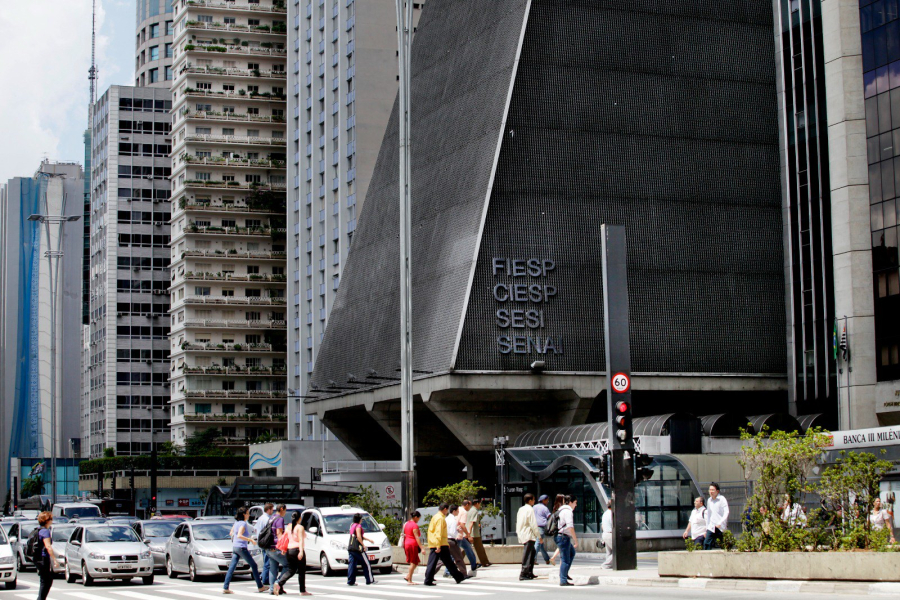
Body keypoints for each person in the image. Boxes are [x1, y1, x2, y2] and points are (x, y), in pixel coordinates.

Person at [224, 507, 267, 594]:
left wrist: (236, 537)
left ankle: (225, 587)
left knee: (231, 568)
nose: (249, 515)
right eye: (247, 513)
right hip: (241, 548)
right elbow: (239, 535)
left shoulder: (236, 523)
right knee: (254, 565)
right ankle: (260, 586)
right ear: (244, 514)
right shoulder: (243, 523)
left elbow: (231, 533)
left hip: (235, 547)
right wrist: (250, 540)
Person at [423, 503, 465, 586]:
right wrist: (438, 545)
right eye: (447, 509)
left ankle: (458, 577)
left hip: (437, 543)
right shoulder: (440, 519)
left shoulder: (435, 517)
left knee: (446, 561)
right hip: (439, 544)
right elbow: (439, 532)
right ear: (445, 509)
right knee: (438, 562)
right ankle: (428, 580)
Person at [273, 511, 310, 596]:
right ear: (299, 518)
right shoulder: (300, 527)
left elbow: (285, 538)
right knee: (301, 571)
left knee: (291, 570)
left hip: (289, 550)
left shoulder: (288, 527)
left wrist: (284, 549)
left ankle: (279, 583)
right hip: (297, 549)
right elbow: (301, 540)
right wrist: (301, 551)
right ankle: (302, 590)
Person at [347, 512, 376, 586]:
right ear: (360, 519)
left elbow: (355, 536)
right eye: (361, 519)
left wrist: (368, 540)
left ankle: (351, 581)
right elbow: (359, 537)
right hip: (358, 548)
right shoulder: (358, 526)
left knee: (352, 565)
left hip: (351, 547)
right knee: (366, 564)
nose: (362, 520)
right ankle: (370, 580)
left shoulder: (352, 525)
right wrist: (363, 545)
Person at [36, 511, 59, 600]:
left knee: (45, 580)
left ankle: (41, 598)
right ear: (47, 520)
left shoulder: (38, 529)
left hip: (38, 559)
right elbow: (48, 546)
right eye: (51, 519)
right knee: (46, 580)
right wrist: (54, 559)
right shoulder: (45, 531)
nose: (52, 521)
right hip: (43, 559)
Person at [516, 493, 539, 581]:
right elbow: (533, 524)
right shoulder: (530, 509)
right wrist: (538, 535)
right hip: (529, 534)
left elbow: (518, 522)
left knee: (532, 552)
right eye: (533, 499)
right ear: (530, 501)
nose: (534, 501)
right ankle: (523, 573)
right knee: (528, 553)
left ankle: (529, 572)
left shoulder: (521, 509)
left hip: (523, 533)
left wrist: (518, 533)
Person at [266, 505, 289, 593]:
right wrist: (283, 547)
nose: (285, 513)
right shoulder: (279, 519)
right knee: (288, 566)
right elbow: (279, 533)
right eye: (285, 510)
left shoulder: (271, 518)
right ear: (282, 509)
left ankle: (272, 589)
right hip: (276, 547)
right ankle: (277, 583)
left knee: (273, 568)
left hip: (269, 547)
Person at [555, 495, 578, 586]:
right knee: (565, 559)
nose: (576, 505)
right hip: (564, 537)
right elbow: (570, 527)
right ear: (571, 502)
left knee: (571, 553)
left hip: (560, 536)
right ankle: (563, 579)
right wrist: (575, 540)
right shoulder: (568, 512)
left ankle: (564, 574)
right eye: (575, 503)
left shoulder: (560, 510)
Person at [444, 505, 469, 578]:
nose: (458, 512)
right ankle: (463, 574)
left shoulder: (446, 519)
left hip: (446, 539)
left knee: (444, 558)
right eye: (457, 510)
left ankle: (432, 573)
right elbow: (452, 532)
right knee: (458, 558)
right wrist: (458, 533)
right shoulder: (453, 520)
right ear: (454, 511)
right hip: (451, 540)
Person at [704, 483, 729, 550]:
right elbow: (709, 515)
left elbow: (726, 512)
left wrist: (720, 522)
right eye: (710, 490)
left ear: (717, 491)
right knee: (706, 543)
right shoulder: (709, 500)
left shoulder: (722, 499)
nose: (711, 492)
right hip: (711, 526)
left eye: (713, 490)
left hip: (720, 527)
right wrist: (707, 528)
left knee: (723, 544)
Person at [457, 499, 479, 571]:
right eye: (470, 506)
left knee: (468, 548)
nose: (470, 508)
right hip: (458, 535)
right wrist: (468, 534)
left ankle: (473, 565)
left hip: (458, 534)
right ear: (467, 505)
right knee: (454, 553)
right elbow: (462, 525)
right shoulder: (464, 512)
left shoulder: (458, 509)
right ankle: (447, 571)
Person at [256, 503, 275, 587]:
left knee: (265, 560)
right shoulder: (267, 519)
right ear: (269, 509)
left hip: (260, 541)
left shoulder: (260, 518)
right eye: (272, 509)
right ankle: (265, 579)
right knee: (267, 561)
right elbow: (269, 532)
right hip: (266, 541)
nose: (273, 511)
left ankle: (263, 577)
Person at [403, 511, 424, 585]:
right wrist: (422, 548)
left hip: (406, 543)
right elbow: (417, 537)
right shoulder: (415, 525)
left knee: (416, 561)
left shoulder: (406, 524)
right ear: (415, 517)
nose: (418, 520)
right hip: (412, 544)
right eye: (418, 518)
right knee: (413, 562)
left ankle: (408, 576)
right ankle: (410, 580)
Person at [470, 499, 492, 568]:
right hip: (474, 533)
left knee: (466, 548)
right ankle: (485, 562)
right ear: (476, 503)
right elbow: (472, 522)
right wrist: (469, 533)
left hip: (470, 533)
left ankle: (485, 562)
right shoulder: (475, 511)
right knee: (480, 549)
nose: (480, 505)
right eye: (479, 504)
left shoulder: (469, 510)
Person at [533, 494, 552, 565]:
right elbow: (549, 517)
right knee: (538, 543)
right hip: (541, 527)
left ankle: (547, 559)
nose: (548, 501)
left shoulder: (534, 507)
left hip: (534, 526)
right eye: (547, 500)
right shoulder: (544, 508)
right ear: (544, 500)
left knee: (540, 544)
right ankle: (533, 558)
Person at [548, 494, 565, 566]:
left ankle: (554, 558)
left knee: (561, 548)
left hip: (556, 533)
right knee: (563, 550)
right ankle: (561, 565)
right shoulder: (561, 510)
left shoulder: (555, 508)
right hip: (560, 532)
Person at [601, 500, 613, 569]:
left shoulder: (605, 513)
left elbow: (602, 526)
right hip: (610, 534)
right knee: (617, 550)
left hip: (605, 533)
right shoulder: (611, 514)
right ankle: (605, 565)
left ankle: (609, 566)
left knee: (609, 552)